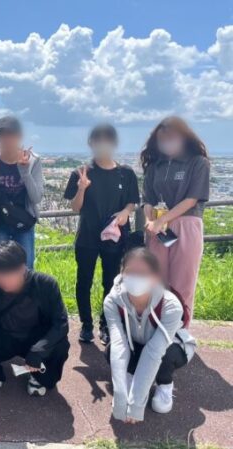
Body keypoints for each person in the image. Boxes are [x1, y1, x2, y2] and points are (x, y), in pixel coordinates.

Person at [64, 124, 139, 345]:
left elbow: (132, 202)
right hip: (87, 237)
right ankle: (86, 326)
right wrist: (82, 188)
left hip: (114, 238)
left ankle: (106, 325)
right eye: (98, 141)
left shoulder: (126, 173)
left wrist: (125, 213)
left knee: (111, 282)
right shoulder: (81, 173)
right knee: (84, 281)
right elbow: (75, 208)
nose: (103, 145)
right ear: (91, 144)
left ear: (114, 144)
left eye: (107, 141)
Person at [0, 241, 70, 396]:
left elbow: (61, 324)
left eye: (9, 274)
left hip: (36, 337)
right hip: (4, 336)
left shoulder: (45, 284)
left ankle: (39, 377)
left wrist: (39, 349)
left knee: (60, 346)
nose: (4, 281)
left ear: (22, 268)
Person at [104, 248, 196, 423]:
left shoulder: (171, 305)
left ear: (155, 277)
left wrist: (136, 405)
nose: (136, 277)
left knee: (166, 356)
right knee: (110, 351)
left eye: (143, 273)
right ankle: (131, 377)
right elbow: (119, 344)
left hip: (170, 347)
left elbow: (154, 351)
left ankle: (164, 385)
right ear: (121, 273)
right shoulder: (112, 301)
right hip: (137, 344)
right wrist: (120, 393)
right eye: (130, 271)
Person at [141, 116, 210, 320]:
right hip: (158, 229)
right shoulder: (155, 166)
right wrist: (150, 220)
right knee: (156, 280)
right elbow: (148, 200)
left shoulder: (198, 162)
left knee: (183, 283)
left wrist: (162, 220)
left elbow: (191, 199)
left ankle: (180, 330)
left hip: (186, 224)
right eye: (162, 139)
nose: (167, 143)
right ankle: (156, 326)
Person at [0, 116, 44, 269]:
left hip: (24, 221)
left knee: (26, 268)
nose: (7, 139)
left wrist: (25, 172)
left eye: (11, 134)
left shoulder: (33, 161)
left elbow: (36, 198)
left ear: (20, 136)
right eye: (2, 135)